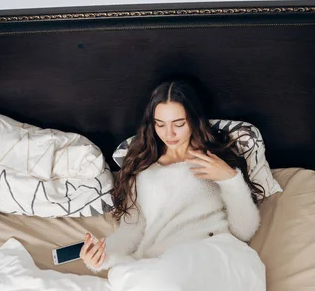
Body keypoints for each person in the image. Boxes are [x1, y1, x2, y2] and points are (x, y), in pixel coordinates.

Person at [80, 79, 263, 272]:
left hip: (212, 256)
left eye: (179, 124)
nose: (169, 134)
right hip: (159, 260)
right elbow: (131, 230)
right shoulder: (141, 167)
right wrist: (101, 257)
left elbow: (245, 231)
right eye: (160, 124)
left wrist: (230, 179)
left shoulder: (215, 160)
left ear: (193, 119)